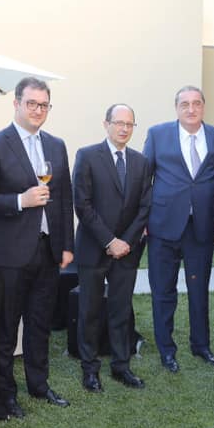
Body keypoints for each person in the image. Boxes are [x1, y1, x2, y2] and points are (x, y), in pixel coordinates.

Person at [0, 77, 73, 418]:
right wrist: (21, 200)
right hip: (7, 255)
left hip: (47, 250)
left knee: (39, 323)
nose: (38, 110)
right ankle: (6, 394)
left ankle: (39, 384)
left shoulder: (56, 145)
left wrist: (66, 245)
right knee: (6, 328)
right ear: (16, 103)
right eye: (31, 103)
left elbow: (64, 198)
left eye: (44, 105)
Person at [143, 85, 214, 373]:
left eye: (196, 103)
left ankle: (201, 345)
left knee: (199, 290)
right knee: (163, 291)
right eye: (185, 104)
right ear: (176, 108)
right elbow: (144, 181)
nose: (191, 109)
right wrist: (142, 221)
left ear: (203, 106)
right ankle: (166, 350)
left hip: (201, 228)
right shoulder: (157, 134)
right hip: (163, 227)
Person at [73, 104, 152, 392]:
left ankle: (121, 366)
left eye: (129, 124)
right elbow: (82, 204)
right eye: (119, 122)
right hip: (94, 248)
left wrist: (125, 242)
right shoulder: (87, 156)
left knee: (121, 311)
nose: (124, 128)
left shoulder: (141, 162)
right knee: (89, 311)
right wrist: (109, 241)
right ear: (106, 124)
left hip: (127, 252)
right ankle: (90, 369)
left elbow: (145, 207)